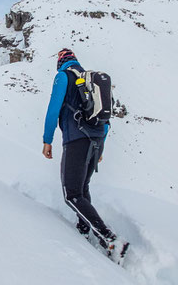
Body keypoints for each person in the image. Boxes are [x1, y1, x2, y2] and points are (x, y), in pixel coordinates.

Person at [42, 48, 117, 248]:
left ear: (60, 62)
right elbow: (106, 120)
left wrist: (47, 140)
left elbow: (53, 110)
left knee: (72, 194)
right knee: (82, 189)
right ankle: (84, 231)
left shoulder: (63, 76)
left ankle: (110, 238)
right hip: (97, 140)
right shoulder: (89, 81)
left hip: (77, 139)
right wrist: (101, 148)